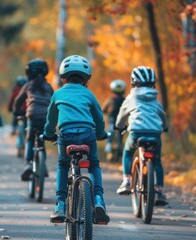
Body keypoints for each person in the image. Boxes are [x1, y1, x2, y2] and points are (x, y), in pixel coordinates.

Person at [43, 55, 110, 224]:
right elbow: (99, 117)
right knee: (94, 164)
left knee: (63, 164)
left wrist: (49, 133)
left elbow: (51, 120)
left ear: (63, 77)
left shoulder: (57, 94)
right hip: (88, 135)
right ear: (86, 78)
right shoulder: (89, 94)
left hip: (66, 136)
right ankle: (98, 199)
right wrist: (101, 133)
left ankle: (60, 204)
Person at [114, 66, 169, 205]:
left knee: (127, 152)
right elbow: (162, 115)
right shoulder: (155, 99)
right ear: (153, 83)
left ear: (133, 82)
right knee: (156, 161)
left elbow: (122, 115)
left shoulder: (131, 97)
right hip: (155, 134)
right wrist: (165, 127)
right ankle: (160, 190)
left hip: (136, 133)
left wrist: (119, 126)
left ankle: (126, 181)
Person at [15, 58, 54, 181]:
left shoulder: (28, 85)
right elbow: (54, 101)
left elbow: (18, 101)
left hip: (32, 115)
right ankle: (44, 167)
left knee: (30, 139)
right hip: (46, 116)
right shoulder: (48, 86)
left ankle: (28, 165)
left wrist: (17, 112)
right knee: (41, 140)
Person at [102, 79, 126, 153]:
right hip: (121, 122)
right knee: (121, 135)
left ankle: (108, 145)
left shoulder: (110, 100)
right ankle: (120, 146)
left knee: (109, 132)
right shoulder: (125, 100)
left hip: (112, 121)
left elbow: (103, 109)